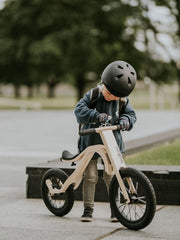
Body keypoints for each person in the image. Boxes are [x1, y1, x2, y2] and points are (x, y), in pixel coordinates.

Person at [74, 60, 137, 222]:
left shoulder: (121, 100)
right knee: (90, 176)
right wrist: (95, 116)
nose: (112, 98)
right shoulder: (93, 94)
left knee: (112, 176)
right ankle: (88, 209)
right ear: (104, 83)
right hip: (90, 142)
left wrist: (125, 121)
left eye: (116, 96)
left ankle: (115, 210)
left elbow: (131, 115)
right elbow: (79, 110)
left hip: (112, 143)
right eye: (110, 93)